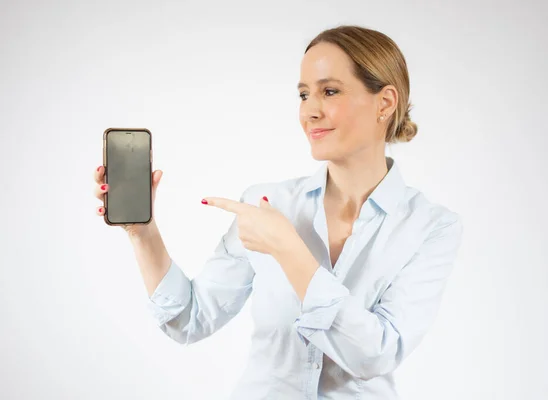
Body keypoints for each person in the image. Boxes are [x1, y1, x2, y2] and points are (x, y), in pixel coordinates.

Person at [93, 25, 463, 400]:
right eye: (304, 95)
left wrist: (289, 250)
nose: (310, 112)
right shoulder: (267, 204)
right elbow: (189, 320)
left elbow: (375, 355)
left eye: (329, 91)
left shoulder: (431, 227)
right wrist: (142, 232)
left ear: (385, 103)